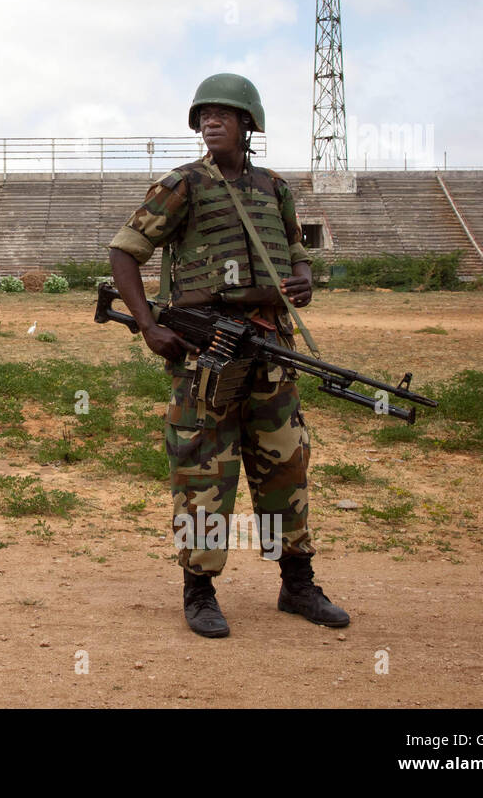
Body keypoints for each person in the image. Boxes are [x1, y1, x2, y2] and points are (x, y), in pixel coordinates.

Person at [107, 73, 349, 638]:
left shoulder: (273, 187)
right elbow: (124, 252)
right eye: (204, 115)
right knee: (203, 472)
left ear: (248, 123)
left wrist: (304, 277)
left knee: (285, 463)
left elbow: (294, 249)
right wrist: (148, 326)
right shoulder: (182, 185)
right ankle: (199, 593)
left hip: (269, 345)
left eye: (224, 113)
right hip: (205, 352)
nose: (211, 121)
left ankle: (297, 584)